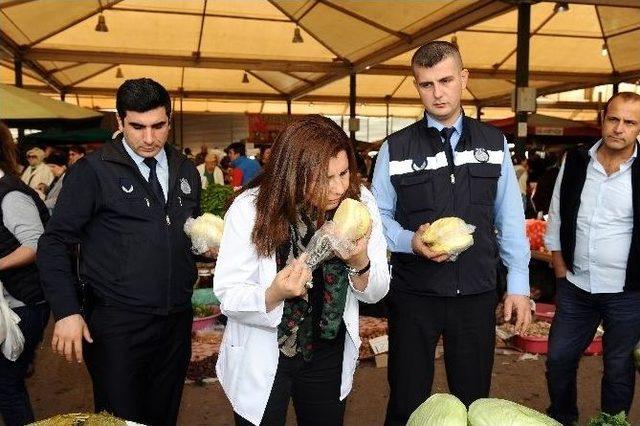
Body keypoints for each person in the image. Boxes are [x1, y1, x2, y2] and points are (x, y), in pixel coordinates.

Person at [371, 41, 531, 425]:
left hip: (475, 294)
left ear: (464, 79)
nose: (437, 92)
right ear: (417, 86)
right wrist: (409, 240)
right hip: (414, 296)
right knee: (407, 399)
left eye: (445, 80)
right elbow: (377, 218)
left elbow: (510, 217)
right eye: (427, 84)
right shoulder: (395, 148)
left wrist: (519, 285)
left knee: (474, 402)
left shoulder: (494, 145)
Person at [37, 78, 202, 426]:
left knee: (164, 416)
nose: (148, 138)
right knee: (121, 420)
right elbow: (54, 243)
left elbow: (182, 230)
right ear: (119, 121)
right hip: (117, 325)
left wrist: (203, 241)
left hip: (175, 321)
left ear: (170, 120)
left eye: (158, 126)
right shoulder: (93, 172)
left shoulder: (186, 170)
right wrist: (66, 311)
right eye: (137, 126)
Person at [214, 115, 390, 426]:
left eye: (344, 173)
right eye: (324, 178)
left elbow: (377, 290)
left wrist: (359, 261)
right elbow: (228, 294)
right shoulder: (248, 210)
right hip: (266, 352)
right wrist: (273, 294)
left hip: (327, 351)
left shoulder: (361, 203)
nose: (338, 188)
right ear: (293, 173)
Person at [544, 92, 640, 426]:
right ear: (603, 118)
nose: (619, 128)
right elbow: (556, 215)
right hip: (576, 284)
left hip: (627, 291)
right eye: (613, 119)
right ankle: (562, 416)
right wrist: (559, 270)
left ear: (639, 128)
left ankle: (612, 422)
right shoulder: (576, 161)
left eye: (629, 122)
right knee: (558, 357)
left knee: (618, 366)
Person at [0, 122, 51, 426]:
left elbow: (35, 244)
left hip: (25, 304)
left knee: (7, 383)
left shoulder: (10, 194)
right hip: (13, 302)